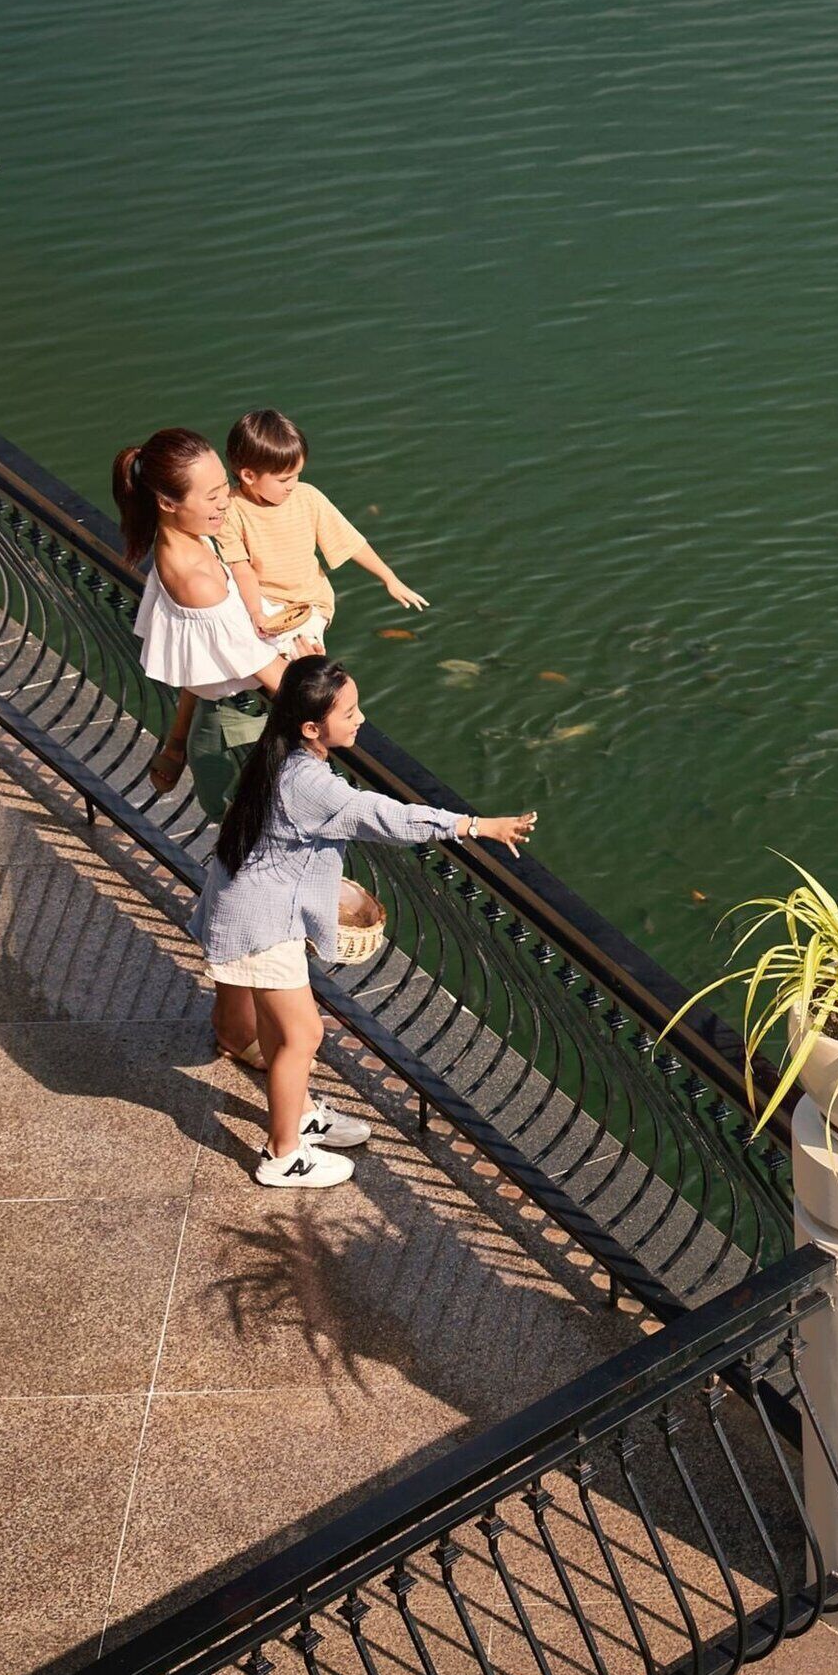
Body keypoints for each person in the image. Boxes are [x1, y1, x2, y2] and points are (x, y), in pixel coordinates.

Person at [201, 654, 538, 1187]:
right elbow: (386, 817)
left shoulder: (283, 753)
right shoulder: (313, 784)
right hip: (261, 925)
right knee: (304, 1035)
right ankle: (283, 1154)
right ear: (313, 727)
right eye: (350, 712)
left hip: (250, 910)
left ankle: (300, 1114)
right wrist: (475, 825)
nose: (361, 719)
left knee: (279, 1026)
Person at [115, 427, 282, 801]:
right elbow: (276, 678)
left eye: (224, 486)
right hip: (237, 739)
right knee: (248, 846)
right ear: (168, 503)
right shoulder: (196, 583)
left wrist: (175, 745)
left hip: (228, 724)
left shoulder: (187, 545)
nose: (225, 501)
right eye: (211, 496)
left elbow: (199, 664)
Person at [218, 407, 426, 653]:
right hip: (260, 602)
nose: (292, 485)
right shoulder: (229, 510)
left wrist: (389, 578)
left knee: (304, 658)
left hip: (309, 603)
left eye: (297, 475)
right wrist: (256, 612)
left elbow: (350, 542)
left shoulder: (307, 497)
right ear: (249, 475)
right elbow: (241, 569)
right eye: (284, 479)